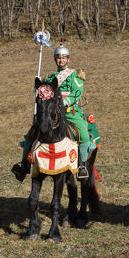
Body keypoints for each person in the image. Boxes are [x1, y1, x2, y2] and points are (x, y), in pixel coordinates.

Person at [11, 41, 93, 182]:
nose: (61, 60)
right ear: (55, 59)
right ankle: (24, 166)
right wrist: (37, 86)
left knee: (84, 135)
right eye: (58, 58)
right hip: (50, 114)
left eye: (63, 58)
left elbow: (77, 93)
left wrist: (64, 103)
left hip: (70, 112)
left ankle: (82, 166)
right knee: (30, 135)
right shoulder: (49, 78)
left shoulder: (75, 75)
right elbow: (43, 96)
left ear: (68, 59)